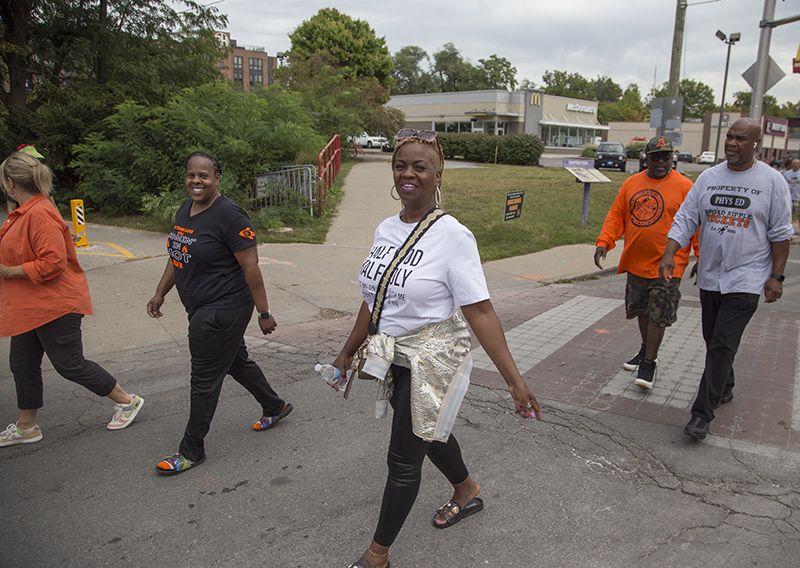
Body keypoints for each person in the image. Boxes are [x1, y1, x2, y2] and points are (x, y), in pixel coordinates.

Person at [332, 129, 541, 568]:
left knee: (402, 459)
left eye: (419, 166)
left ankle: (377, 557)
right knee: (426, 429)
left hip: (434, 358)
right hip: (394, 353)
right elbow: (375, 298)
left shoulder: (454, 237)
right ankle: (466, 489)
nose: (408, 174)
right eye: (401, 165)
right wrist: (347, 350)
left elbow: (481, 312)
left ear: (437, 174)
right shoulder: (386, 228)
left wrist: (514, 381)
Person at [146, 151, 292, 475]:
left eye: (204, 176)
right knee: (234, 361)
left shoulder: (231, 216)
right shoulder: (187, 209)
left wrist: (264, 311)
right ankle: (275, 405)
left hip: (223, 308)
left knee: (204, 378)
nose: (196, 181)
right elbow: (177, 254)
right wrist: (160, 293)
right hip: (199, 305)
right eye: (191, 175)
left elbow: (251, 267)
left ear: (217, 179)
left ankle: (191, 450)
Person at [659, 118, 793, 440]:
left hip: (746, 279)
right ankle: (726, 385)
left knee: (721, 344)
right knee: (714, 341)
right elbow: (687, 218)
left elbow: (781, 234)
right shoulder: (709, 177)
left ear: (755, 143)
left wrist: (776, 276)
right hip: (710, 276)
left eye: (740, 139)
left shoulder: (772, 182)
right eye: (729, 137)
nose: (732, 143)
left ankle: (702, 415)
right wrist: (669, 253)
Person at [0, 152, 143, 447]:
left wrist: (9, 271)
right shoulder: (23, 211)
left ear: (12, 184)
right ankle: (27, 426)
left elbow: (53, 262)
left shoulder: (39, 213)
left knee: (69, 364)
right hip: (31, 305)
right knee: (22, 363)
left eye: (3, 182)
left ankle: (127, 400)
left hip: (55, 304)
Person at [594, 136, 698, 390]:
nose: (661, 161)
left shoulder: (686, 186)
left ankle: (649, 362)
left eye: (666, 156)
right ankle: (645, 349)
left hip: (669, 265)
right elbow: (616, 216)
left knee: (659, 314)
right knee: (642, 310)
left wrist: (701, 253)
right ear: (646, 159)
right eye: (655, 157)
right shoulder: (632, 183)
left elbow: (695, 223)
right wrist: (604, 243)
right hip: (636, 262)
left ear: (672, 157)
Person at [6, 145, 59, 214]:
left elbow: (52, 204)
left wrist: (60, 222)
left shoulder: (42, 181)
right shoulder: (16, 183)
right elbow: (11, 209)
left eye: (36, 159)